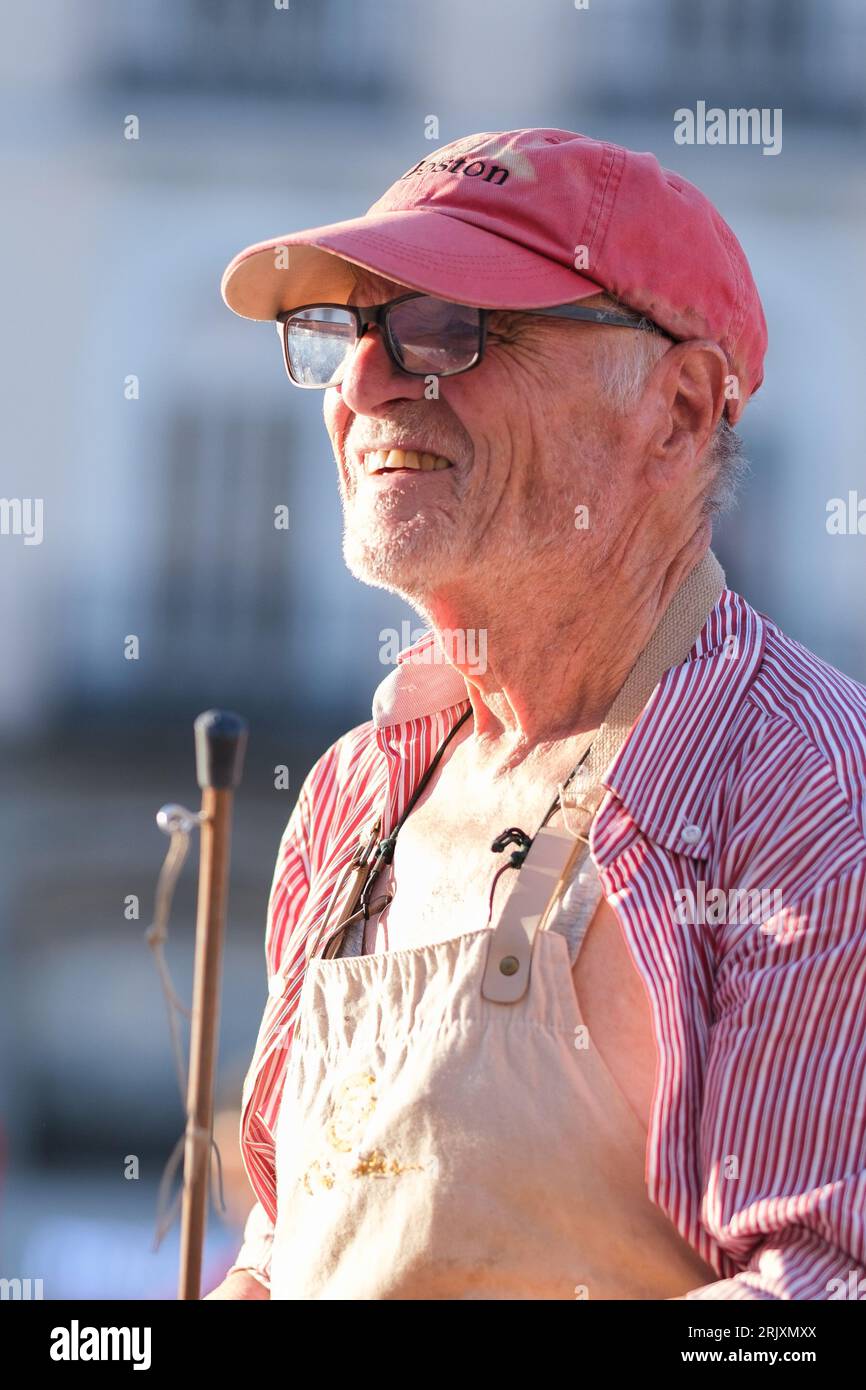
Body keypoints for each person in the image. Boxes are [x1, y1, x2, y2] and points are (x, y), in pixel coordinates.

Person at [206, 129, 866, 1300]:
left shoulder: (801, 786)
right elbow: (286, 1235)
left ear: (677, 410)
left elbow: (817, 1294)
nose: (362, 386)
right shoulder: (357, 792)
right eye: (348, 332)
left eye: (445, 328)